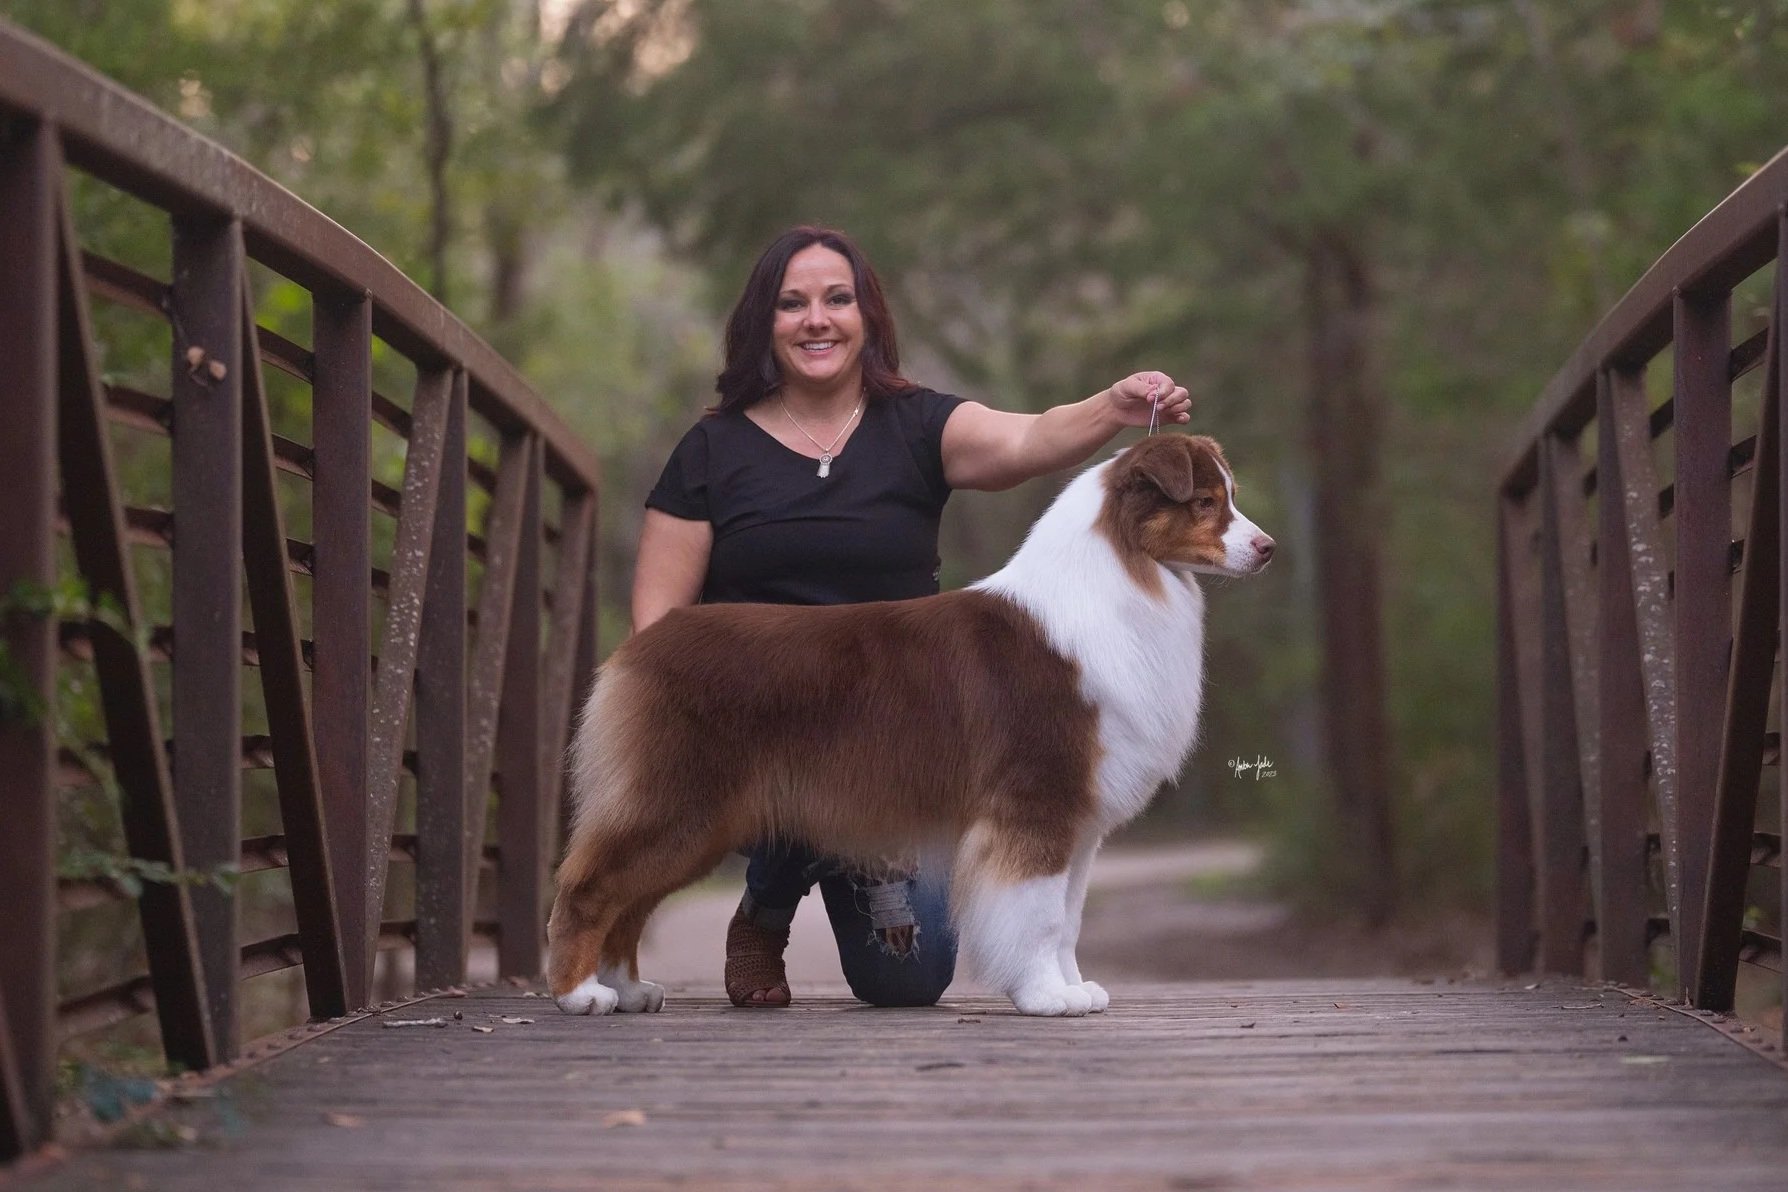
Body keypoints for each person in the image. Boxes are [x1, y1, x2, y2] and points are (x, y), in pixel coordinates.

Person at [634, 225, 1191, 1009]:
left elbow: (1031, 437)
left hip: (897, 740)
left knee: (911, 977)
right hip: (759, 724)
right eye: (792, 303)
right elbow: (659, 626)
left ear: (869, 317)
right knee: (790, 756)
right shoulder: (710, 451)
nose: (816, 319)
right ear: (765, 322)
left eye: (837, 298)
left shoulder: (920, 425)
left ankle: (807, 870)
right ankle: (767, 906)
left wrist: (1114, 405)